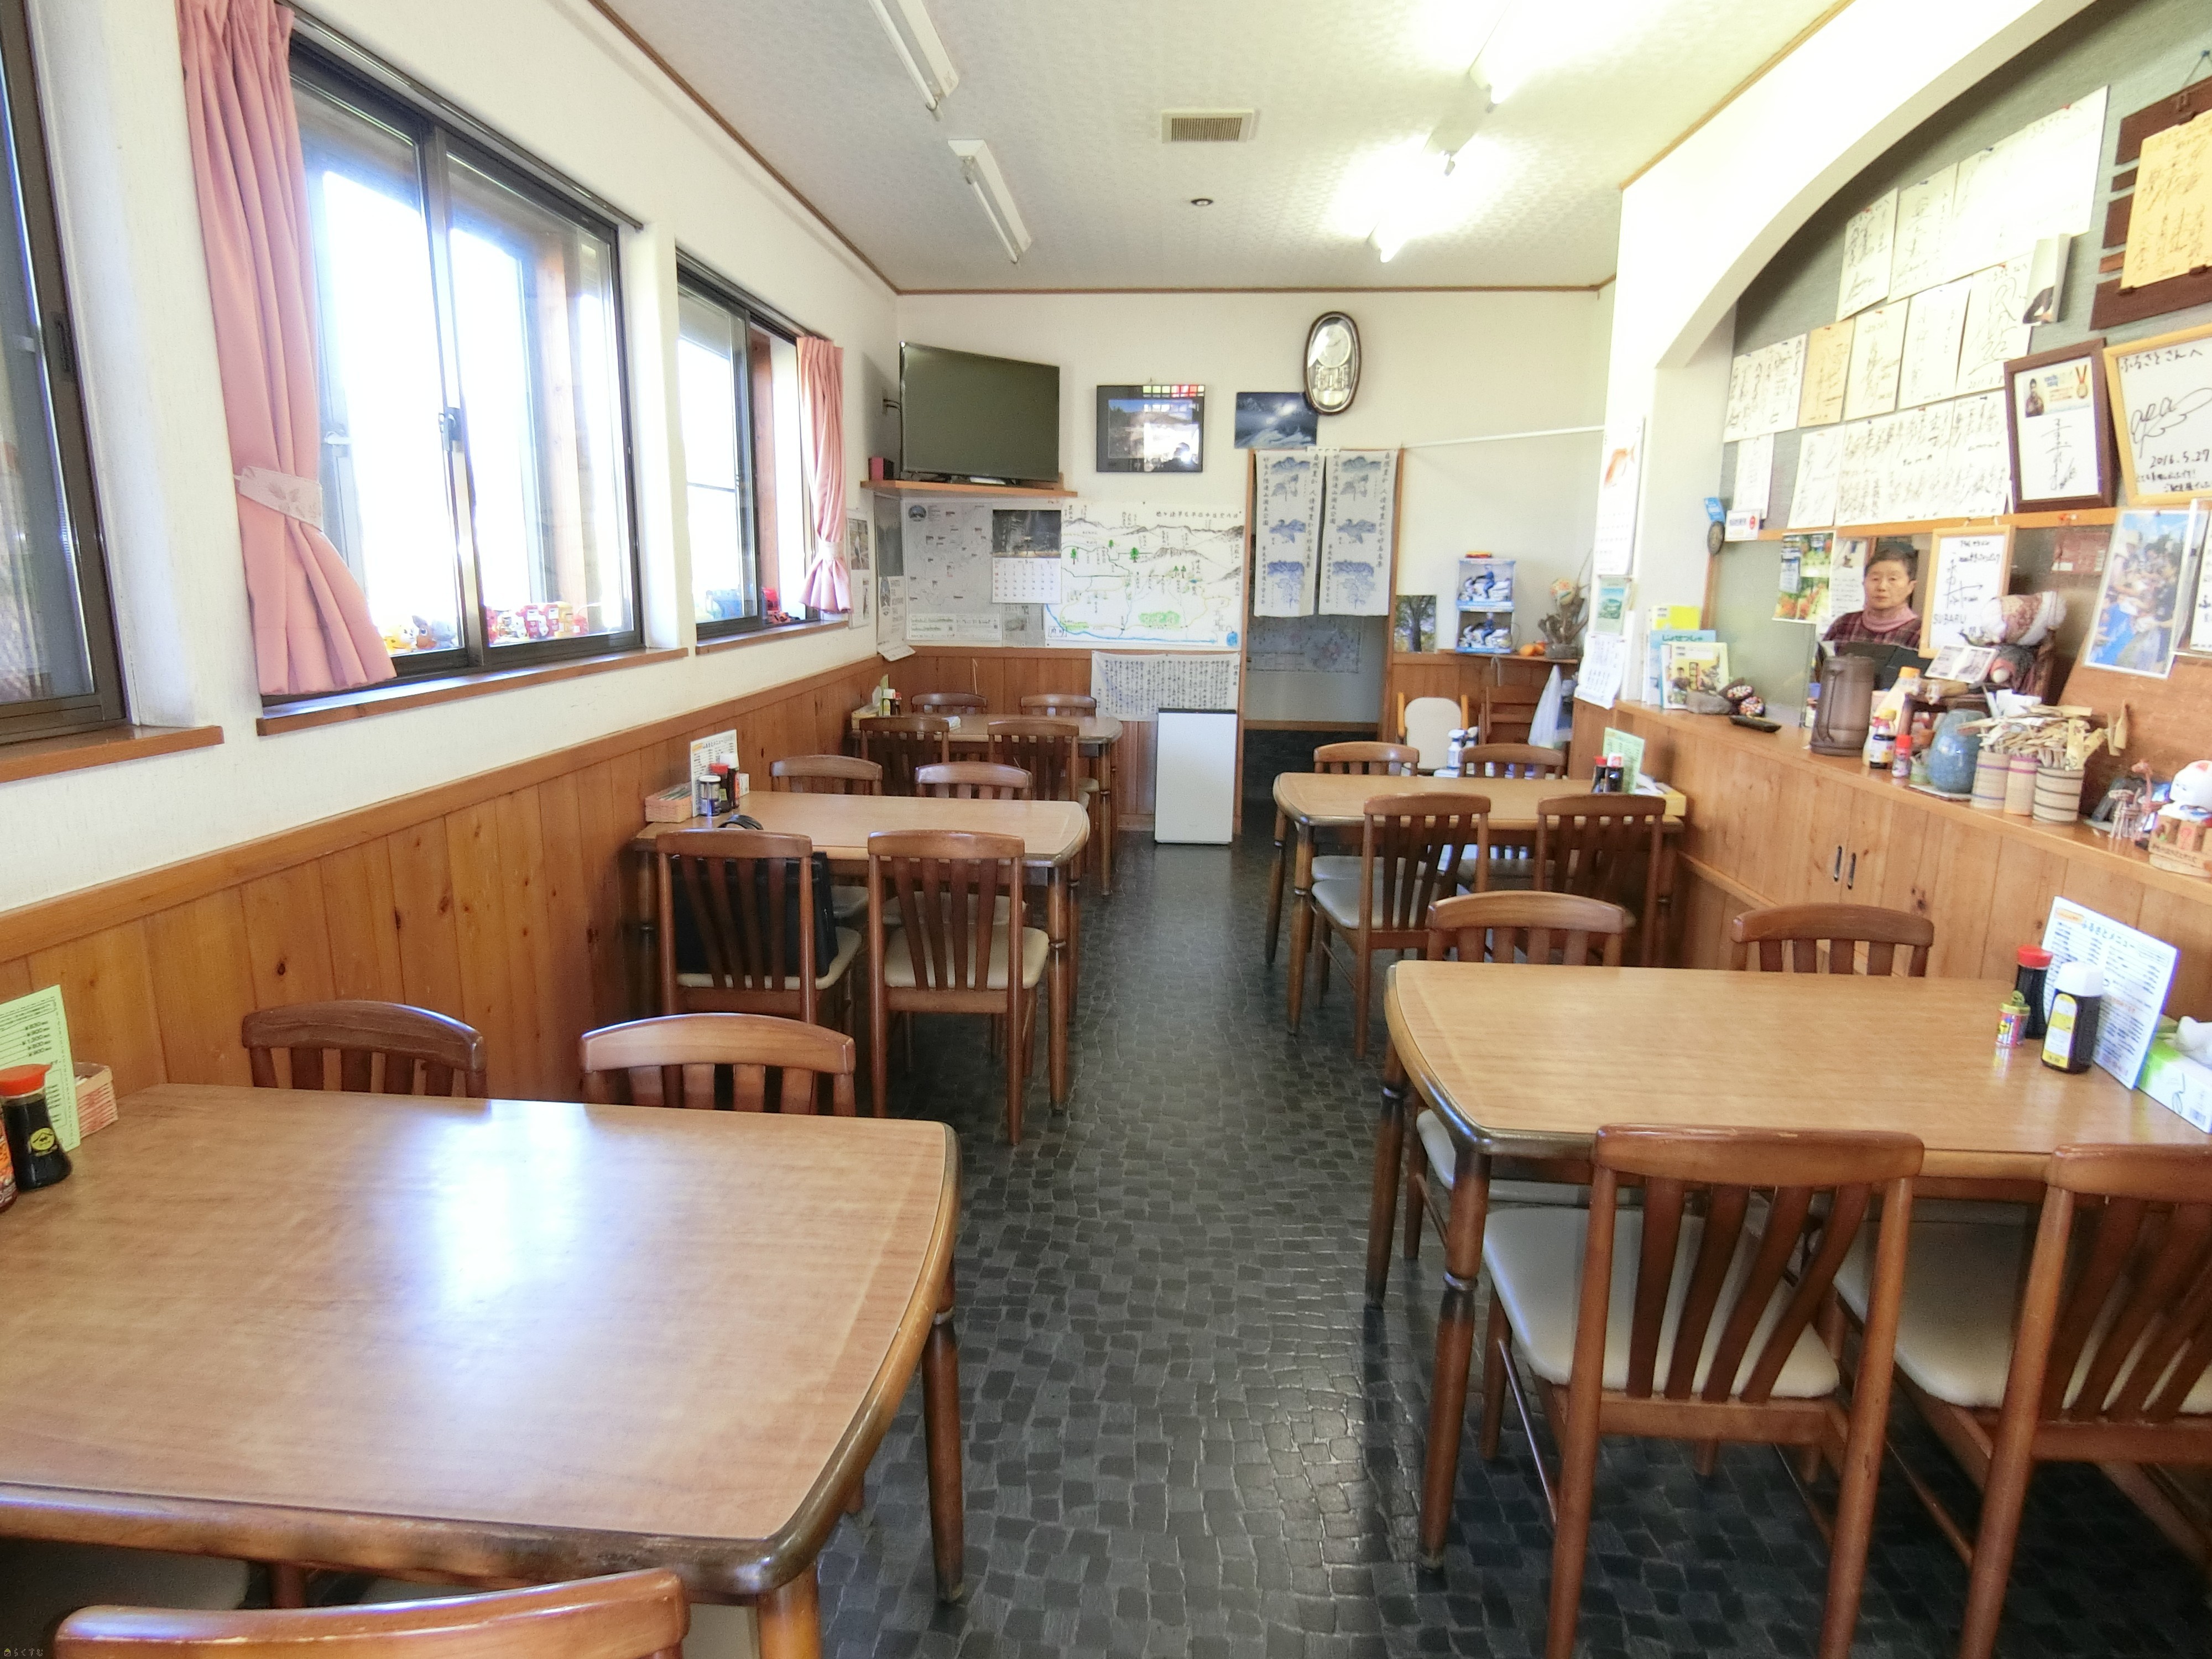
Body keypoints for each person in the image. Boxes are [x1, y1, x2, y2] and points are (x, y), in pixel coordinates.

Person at [1824, 542, 1922, 646]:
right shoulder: (1844, 624)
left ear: (1911, 587)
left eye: (1893, 579)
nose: (1882, 587)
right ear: (1864, 583)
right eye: (1875, 579)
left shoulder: (1919, 632)